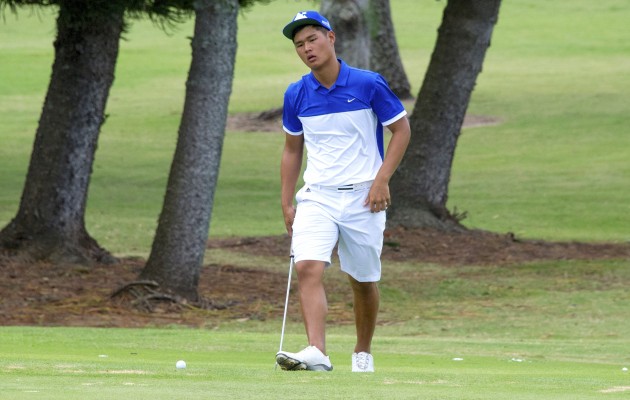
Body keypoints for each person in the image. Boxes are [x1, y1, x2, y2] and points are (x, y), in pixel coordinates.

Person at [275, 10, 411, 373]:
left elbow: (401, 131)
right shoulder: (297, 93)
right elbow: (292, 150)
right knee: (307, 266)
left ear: (331, 38)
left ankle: (362, 350)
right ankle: (317, 351)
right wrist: (287, 202)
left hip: (364, 197)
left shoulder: (368, 84)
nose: (307, 49)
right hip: (317, 195)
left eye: (312, 40)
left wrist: (382, 180)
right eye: (299, 44)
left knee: (363, 280)